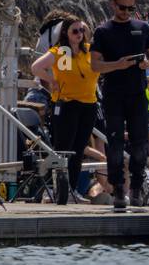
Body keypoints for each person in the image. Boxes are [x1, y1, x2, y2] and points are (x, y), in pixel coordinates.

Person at [91, 0, 149, 209]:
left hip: (138, 93)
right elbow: (95, 65)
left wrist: (147, 64)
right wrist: (117, 65)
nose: (127, 12)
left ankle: (136, 188)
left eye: (131, 8)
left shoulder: (142, 27)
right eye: (122, 7)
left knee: (140, 146)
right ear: (112, 4)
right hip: (114, 94)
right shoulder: (103, 31)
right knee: (116, 145)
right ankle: (119, 189)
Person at [32, 18, 99, 194]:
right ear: (66, 34)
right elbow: (36, 67)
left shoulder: (90, 51)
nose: (79, 35)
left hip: (88, 105)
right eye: (75, 31)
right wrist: (51, 80)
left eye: (81, 31)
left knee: (78, 150)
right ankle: (57, 189)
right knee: (63, 148)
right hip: (67, 104)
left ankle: (72, 189)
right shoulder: (62, 52)